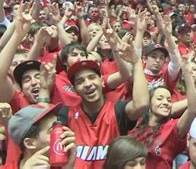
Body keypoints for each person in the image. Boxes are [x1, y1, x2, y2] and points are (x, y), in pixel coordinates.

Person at [58, 36, 149, 168]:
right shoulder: (66, 114)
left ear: (102, 81)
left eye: (91, 77)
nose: (87, 84)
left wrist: (136, 62)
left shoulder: (118, 110)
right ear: (75, 90)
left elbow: (142, 104)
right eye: (80, 81)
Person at [128, 58, 196, 168]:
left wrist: (187, 75)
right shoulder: (136, 126)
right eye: (160, 98)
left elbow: (193, 110)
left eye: (169, 100)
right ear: (149, 103)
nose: (165, 103)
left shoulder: (172, 128)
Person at [2, 103, 76, 168]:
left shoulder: (67, 164)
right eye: (52, 131)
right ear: (30, 143)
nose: (62, 135)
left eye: (59, 128)